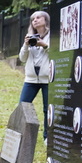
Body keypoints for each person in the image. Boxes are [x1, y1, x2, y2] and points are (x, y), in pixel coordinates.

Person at [18, 11, 51, 143]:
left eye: (38, 18)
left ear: (46, 20)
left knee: (47, 109)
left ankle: (47, 137)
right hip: (31, 79)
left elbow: (56, 54)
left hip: (47, 79)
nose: (35, 20)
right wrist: (26, 44)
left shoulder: (52, 36)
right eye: (33, 19)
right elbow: (22, 58)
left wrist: (44, 45)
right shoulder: (30, 36)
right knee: (23, 105)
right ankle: (20, 133)